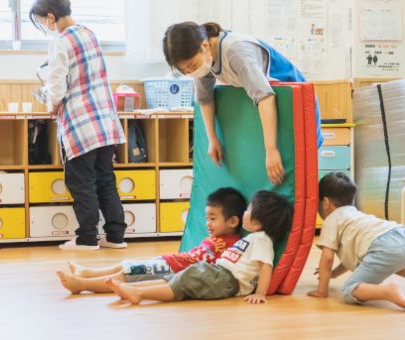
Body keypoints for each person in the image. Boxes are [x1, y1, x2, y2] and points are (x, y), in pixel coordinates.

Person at [162, 22, 324, 185]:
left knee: (298, 171)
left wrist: (271, 149)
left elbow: (265, 97)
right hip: (269, 106)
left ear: (204, 45)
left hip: (296, 103)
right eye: (185, 72)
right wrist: (213, 138)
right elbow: (205, 99)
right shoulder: (205, 59)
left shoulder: (234, 51)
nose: (191, 73)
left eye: (192, 67)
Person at [30, 0, 127, 250]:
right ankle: (116, 237)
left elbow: (57, 83)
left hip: (81, 122)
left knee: (81, 181)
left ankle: (86, 238)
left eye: (42, 21)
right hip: (105, 121)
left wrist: (52, 105)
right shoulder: (89, 34)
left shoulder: (60, 42)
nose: (44, 26)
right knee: (105, 179)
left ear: (51, 16)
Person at [105, 191, 293, 305]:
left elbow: (265, 266)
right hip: (219, 272)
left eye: (249, 209)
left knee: (184, 282)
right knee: (177, 277)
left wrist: (260, 293)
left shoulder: (262, 240)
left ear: (258, 222)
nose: (245, 212)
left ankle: (140, 293)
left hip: (228, 280)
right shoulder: (253, 237)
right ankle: (134, 287)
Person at [56, 188, 246, 294]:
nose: (208, 224)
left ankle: (82, 284)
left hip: (173, 270)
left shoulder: (233, 245)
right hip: (169, 261)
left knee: (127, 274)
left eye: (213, 219)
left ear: (233, 221)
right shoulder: (214, 238)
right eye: (207, 218)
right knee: (127, 264)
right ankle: (87, 272)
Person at [308, 172, 405, 308]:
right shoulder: (354, 214)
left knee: (349, 290)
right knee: (396, 263)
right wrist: (334, 274)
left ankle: (388, 291)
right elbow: (349, 259)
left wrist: (322, 291)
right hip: (399, 233)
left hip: (383, 247)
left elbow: (327, 258)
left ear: (325, 203)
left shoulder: (332, 220)